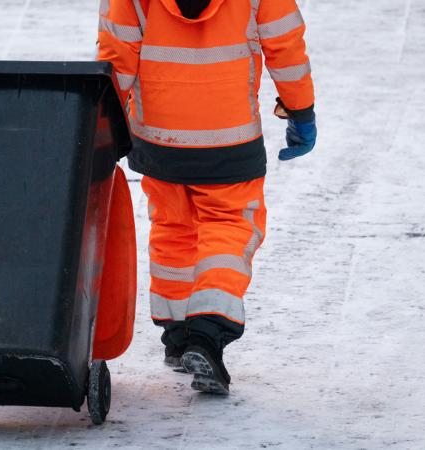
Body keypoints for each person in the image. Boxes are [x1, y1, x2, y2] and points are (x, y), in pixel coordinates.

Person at [97, 0, 316, 395]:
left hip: (160, 139)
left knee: (173, 228)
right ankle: (208, 331)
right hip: (230, 138)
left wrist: (104, 124)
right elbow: (284, 44)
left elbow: (117, 54)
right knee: (230, 228)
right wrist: (300, 109)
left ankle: (179, 334)